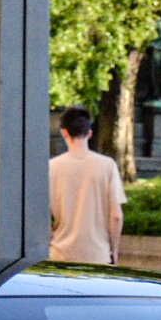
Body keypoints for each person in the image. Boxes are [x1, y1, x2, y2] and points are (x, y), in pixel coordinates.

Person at [47, 107, 125, 265]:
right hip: (98, 255)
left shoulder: (51, 167)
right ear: (90, 133)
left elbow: (41, 215)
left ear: (64, 133)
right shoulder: (107, 165)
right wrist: (113, 250)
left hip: (60, 254)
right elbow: (116, 215)